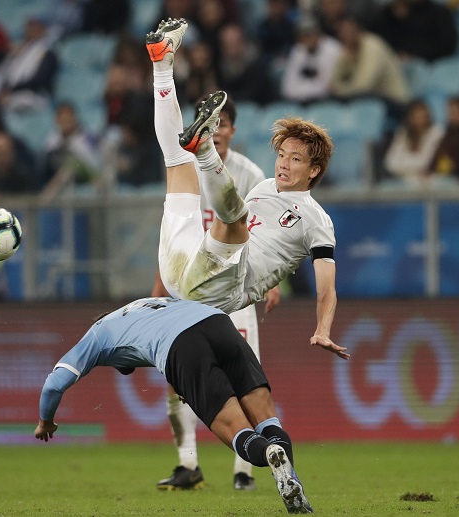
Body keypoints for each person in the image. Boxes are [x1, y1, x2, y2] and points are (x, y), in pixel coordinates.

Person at [145, 18, 348, 360]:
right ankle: (163, 66)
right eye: (282, 155)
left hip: (220, 289)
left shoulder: (317, 220)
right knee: (179, 163)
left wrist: (323, 328)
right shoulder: (264, 186)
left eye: (295, 159)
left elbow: (327, 287)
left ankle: (202, 146)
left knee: (214, 198)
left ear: (315, 170)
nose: (283, 164)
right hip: (186, 268)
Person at [35, 296, 314, 514]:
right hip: (219, 322)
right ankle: (292, 485)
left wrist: (46, 420)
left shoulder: (97, 334)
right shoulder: (144, 305)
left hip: (182, 344)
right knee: (268, 420)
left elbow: (53, 384)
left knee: (236, 429)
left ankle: (267, 453)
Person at [152, 95, 280, 491]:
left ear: (232, 131)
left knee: (244, 378)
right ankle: (187, 463)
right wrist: (160, 288)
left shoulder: (249, 172)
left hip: (233, 290)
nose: (218, 130)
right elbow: (173, 231)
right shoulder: (184, 169)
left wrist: (270, 280)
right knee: (178, 378)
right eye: (211, 123)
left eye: (224, 123)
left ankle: (244, 469)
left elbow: (262, 228)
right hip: (191, 286)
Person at [329, 16, 410, 106]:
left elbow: (364, 86)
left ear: (358, 30)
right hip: (372, 100)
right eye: (342, 31)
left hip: (394, 101)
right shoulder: (347, 51)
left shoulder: (372, 45)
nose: (346, 34)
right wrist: (346, 61)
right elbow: (334, 83)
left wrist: (340, 90)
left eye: (349, 30)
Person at [280, 16, 341, 104]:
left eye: (310, 34)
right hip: (301, 102)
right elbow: (287, 88)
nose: (307, 39)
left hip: (327, 102)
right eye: (303, 35)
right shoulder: (298, 50)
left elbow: (328, 87)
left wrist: (303, 88)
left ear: (319, 34)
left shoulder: (332, 48)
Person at [382, 99, 443, 185]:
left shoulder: (436, 132)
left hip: (428, 182)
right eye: (417, 116)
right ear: (410, 117)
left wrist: (404, 164)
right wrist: (413, 169)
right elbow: (391, 163)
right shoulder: (403, 133)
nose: (420, 119)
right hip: (403, 181)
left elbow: (425, 162)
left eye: (423, 116)